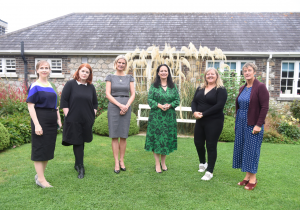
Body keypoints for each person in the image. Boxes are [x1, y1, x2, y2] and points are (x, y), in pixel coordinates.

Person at [232, 62, 269, 190]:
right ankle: (247, 177)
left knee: (251, 150)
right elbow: (239, 107)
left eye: (249, 70)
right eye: (245, 70)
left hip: (253, 123)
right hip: (241, 122)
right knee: (243, 149)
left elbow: (264, 107)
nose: (247, 72)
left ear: (254, 72)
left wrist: (259, 125)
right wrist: (237, 123)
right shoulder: (242, 88)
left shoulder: (260, 87)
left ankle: (253, 178)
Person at [27, 60, 62, 188]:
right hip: (40, 118)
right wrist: (37, 124)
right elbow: (31, 106)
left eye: (47, 68)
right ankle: (41, 180)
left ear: (49, 70)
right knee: (39, 148)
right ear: (37, 70)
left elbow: (56, 105)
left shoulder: (51, 86)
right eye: (42, 68)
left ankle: (39, 176)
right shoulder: (34, 85)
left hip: (52, 119)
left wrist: (58, 119)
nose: (44, 70)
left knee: (48, 147)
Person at [60, 63, 98, 179]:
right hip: (73, 119)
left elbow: (95, 103)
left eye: (87, 72)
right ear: (78, 71)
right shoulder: (71, 84)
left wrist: (92, 115)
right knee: (77, 141)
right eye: (83, 71)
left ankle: (77, 164)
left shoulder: (91, 87)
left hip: (86, 119)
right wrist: (68, 115)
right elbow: (64, 100)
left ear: (89, 74)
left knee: (81, 141)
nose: (85, 74)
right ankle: (81, 167)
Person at [191, 67, 227, 180]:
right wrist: (194, 112)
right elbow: (194, 101)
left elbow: (219, 105)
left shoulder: (220, 89)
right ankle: (203, 163)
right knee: (198, 142)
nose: (210, 76)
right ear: (205, 76)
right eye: (208, 74)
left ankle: (210, 171)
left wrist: (203, 113)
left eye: (212, 74)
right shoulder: (200, 88)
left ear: (217, 76)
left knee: (211, 145)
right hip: (200, 120)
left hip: (214, 121)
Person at [144, 64, 180, 173]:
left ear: (168, 73)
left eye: (165, 71)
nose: (163, 72)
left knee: (166, 140)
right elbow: (150, 100)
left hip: (169, 118)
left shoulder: (173, 86)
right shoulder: (154, 86)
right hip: (156, 118)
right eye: (161, 71)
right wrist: (159, 105)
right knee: (156, 140)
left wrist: (169, 105)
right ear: (158, 73)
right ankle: (157, 164)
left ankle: (163, 163)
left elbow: (177, 100)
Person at [105, 55, 135, 174]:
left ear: (125, 65)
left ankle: (122, 160)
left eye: (123, 63)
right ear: (115, 64)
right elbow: (108, 94)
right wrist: (120, 105)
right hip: (114, 107)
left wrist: (126, 106)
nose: (121, 65)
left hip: (126, 106)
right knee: (114, 135)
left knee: (123, 135)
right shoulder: (110, 77)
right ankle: (116, 161)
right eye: (119, 62)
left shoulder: (129, 77)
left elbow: (133, 94)